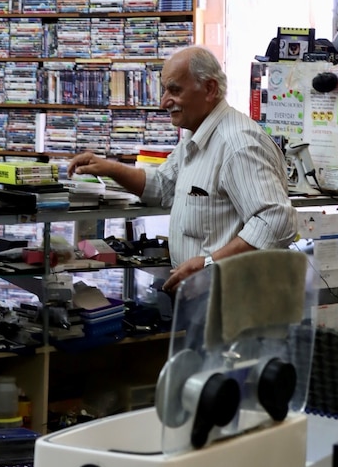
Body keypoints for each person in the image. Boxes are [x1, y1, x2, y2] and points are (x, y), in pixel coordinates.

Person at [67, 45, 297, 293]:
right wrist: (109, 168)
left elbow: (276, 221)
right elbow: (163, 186)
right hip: (204, 299)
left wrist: (210, 264)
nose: (164, 101)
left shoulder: (237, 144)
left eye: (174, 90)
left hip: (233, 304)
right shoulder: (196, 135)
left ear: (209, 89)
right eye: (165, 90)